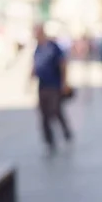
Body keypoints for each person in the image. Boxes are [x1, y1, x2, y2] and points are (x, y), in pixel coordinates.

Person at [32, 24, 72, 153]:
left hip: (54, 84)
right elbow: (35, 65)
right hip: (42, 85)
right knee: (44, 113)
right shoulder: (37, 49)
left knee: (55, 110)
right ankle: (49, 141)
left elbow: (62, 63)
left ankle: (66, 131)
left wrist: (64, 82)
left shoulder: (52, 47)